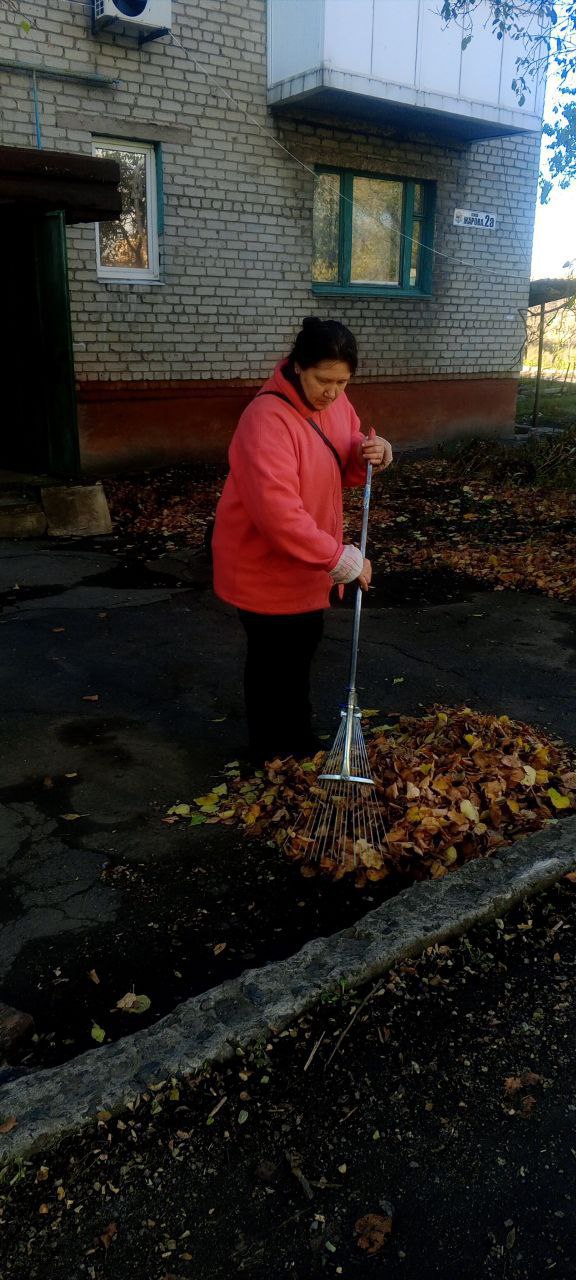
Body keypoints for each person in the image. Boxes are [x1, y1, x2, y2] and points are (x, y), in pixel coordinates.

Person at [212, 317, 393, 765]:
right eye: (323, 380)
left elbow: (347, 451)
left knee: (300, 651)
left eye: (343, 381)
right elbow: (277, 513)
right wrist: (340, 558)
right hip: (264, 564)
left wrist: (373, 453)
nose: (332, 392)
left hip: (308, 563)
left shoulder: (336, 402)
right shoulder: (265, 419)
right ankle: (271, 756)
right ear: (297, 367)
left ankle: (295, 743)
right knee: (275, 661)